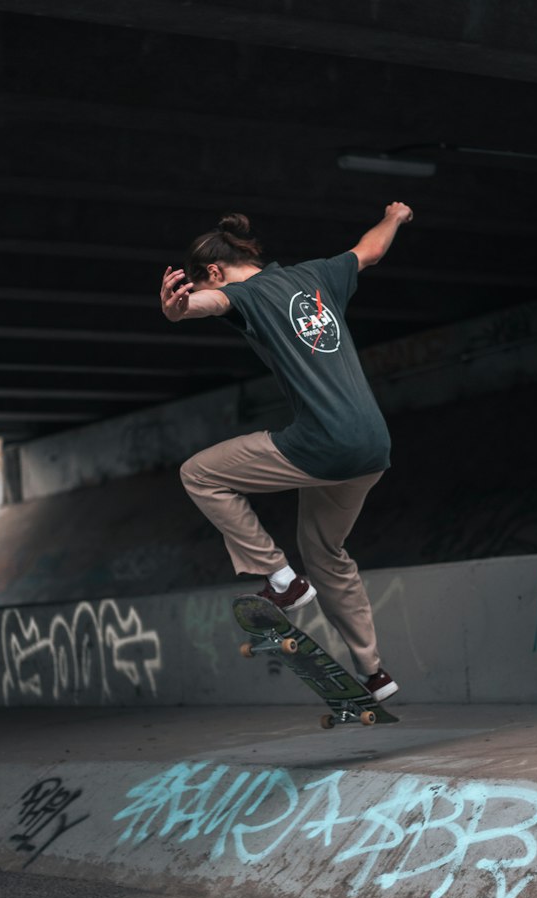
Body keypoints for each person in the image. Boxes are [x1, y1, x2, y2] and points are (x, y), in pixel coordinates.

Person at [160, 202, 413, 702]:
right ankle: (374, 673)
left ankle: (281, 579)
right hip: (371, 450)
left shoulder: (242, 294)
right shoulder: (319, 274)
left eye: (208, 283)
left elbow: (208, 305)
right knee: (326, 553)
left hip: (321, 444)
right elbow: (372, 250)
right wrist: (396, 216)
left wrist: (178, 309)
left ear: (213, 271)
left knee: (199, 474)